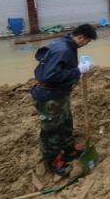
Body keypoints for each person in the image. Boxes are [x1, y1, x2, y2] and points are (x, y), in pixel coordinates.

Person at [31, 24, 97, 176]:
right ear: (81, 37)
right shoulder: (64, 49)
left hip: (59, 95)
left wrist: (77, 70)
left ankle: (68, 149)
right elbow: (50, 76)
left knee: (66, 121)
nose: (86, 45)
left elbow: (57, 66)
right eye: (86, 42)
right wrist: (77, 70)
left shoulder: (67, 43)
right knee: (52, 130)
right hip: (49, 97)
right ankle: (53, 160)